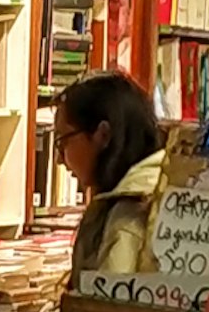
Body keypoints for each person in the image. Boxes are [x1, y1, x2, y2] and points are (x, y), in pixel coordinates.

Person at [55, 69, 167, 278]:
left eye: (63, 141)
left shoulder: (128, 214)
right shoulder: (165, 184)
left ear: (103, 134)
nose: (59, 159)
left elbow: (104, 306)